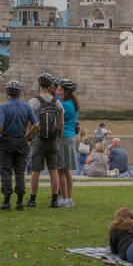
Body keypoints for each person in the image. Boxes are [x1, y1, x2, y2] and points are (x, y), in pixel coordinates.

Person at [0, 80, 35, 210]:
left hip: (6, 141)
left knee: (5, 171)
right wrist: (28, 136)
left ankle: (6, 201)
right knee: (20, 171)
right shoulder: (27, 107)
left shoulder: (3, 107)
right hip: (21, 141)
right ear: (20, 93)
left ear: (8, 93)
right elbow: (37, 124)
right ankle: (20, 201)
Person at [26, 73, 64, 208]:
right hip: (53, 140)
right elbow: (61, 123)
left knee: (36, 171)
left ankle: (32, 200)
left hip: (38, 139)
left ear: (39, 85)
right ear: (50, 86)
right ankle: (54, 200)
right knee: (53, 170)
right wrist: (58, 138)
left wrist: (29, 138)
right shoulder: (57, 102)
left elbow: (29, 123)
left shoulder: (33, 102)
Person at [56, 78, 79, 207]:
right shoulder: (74, 104)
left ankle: (64, 199)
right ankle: (69, 198)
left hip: (63, 138)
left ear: (65, 91)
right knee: (67, 171)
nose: (58, 91)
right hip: (71, 137)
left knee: (60, 170)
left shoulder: (63, 105)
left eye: (59, 89)